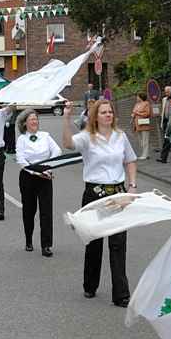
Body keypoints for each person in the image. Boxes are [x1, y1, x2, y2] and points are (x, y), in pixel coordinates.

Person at [62, 99, 137, 308]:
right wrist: (66, 118)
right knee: (94, 242)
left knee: (118, 244)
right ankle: (90, 285)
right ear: (95, 116)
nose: (108, 115)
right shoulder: (87, 137)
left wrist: (132, 185)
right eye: (103, 112)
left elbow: (130, 160)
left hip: (117, 194)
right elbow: (68, 144)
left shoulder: (120, 137)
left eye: (110, 112)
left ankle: (121, 294)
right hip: (95, 194)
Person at [16, 109, 62, 257]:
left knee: (46, 212)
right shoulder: (22, 139)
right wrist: (36, 171)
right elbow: (21, 160)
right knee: (29, 211)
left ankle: (46, 245)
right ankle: (28, 239)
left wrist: (49, 166)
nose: (35, 122)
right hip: (28, 175)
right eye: (31, 119)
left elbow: (57, 151)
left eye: (36, 119)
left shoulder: (45, 136)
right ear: (25, 123)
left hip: (45, 175)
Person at [130, 92, 152, 160]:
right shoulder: (136, 104)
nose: (137, 98)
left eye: (137, 96)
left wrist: (137, 113)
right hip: (137, 124)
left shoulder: (146, 103)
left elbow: (147, 113)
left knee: (145, 140)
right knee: (140, 140)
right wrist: (133, 116)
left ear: (141, 97)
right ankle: (144, 153)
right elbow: (134, 112)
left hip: (143, 123)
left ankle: (145, 155)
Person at [157, 86, 171, 163]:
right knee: (167, 139)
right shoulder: (164, 99)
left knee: (167, 140)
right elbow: (163, 111)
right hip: (166, 121)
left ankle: (163, 157)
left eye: (167, 92)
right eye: (165, 92)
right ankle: (163, 157)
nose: (166, 93)